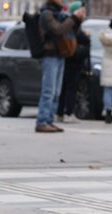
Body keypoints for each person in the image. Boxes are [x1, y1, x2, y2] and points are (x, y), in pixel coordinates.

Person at [35, 0, 86, 133]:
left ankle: (49, 121)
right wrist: (73, 17)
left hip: (60, 55)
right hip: (50, 55)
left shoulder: (61, 14)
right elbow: (58, 30)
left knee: (56, 92)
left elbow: (70, 32)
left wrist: (78, 20)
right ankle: (42, 121)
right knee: (48, 91)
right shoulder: (46, 14)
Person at [57, 2, 90, 125]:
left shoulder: (71, 23)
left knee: (64, 87)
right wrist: (86, 38)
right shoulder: (73, 24)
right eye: (82, 11)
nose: (84, 14)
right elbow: (76, 40)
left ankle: (60, 113)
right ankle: (68, 113)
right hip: (73, 61)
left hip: (69, 59)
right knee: (70, 87)